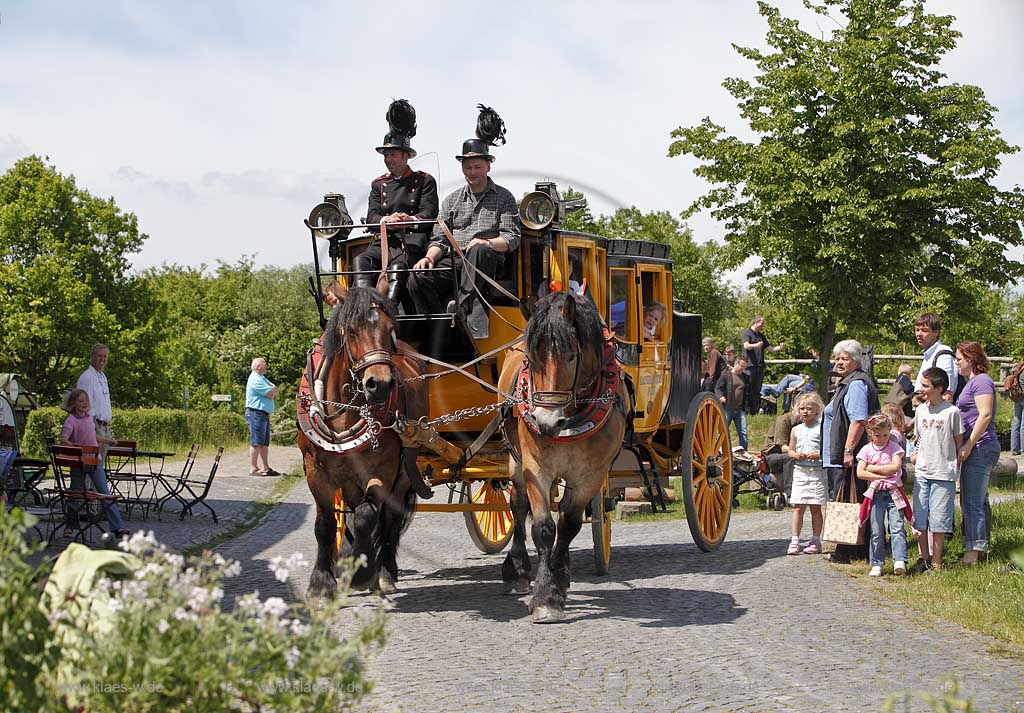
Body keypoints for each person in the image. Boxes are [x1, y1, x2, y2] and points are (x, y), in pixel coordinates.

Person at [412, 105, 520, 338]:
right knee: (416, 277)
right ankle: (435, 327)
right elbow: (439, 239)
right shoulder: (451, 201)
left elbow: (512, 238)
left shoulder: (504, 197)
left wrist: (486, 243)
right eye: (468, 167)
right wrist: (428, 258)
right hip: (455, 260)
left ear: (488, 166)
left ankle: (462, 308)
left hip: (486, 260)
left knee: (478, 252)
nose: (473, 172)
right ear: (462, 169)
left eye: (477, 167)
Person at [353, 100, 439, 307]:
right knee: (360, 261)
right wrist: (387, 220)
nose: (387, 159)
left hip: (413, 242)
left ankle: (387, 310)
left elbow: (429, 214)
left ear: (406, 156)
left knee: (399, 267)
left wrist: (408, 220)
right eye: (385, 155)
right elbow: (372, 216)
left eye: (392, 154)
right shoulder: (378, 184)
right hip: (384, 242)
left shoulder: (425, 181)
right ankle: (364, 309)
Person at [821, 339, 880, 563]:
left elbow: (858, 420)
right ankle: (849, 547)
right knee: (846, 500)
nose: (839, 362)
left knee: (850, 501)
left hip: (850, 456)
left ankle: (850, 550)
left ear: (856, 361)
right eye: (837, 358)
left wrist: (848, 451)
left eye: (844, 358)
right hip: (839, 455)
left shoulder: (856, 384)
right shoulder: (846, 382)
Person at [909, 367, 963, 573]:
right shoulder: (921, 410)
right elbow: (918, 438)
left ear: (939, 388)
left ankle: (937, 562)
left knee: (939, 520)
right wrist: (915, 455)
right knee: (920, 518)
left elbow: (958, 443)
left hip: (942, 473)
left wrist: (955, 469)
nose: (921, 389)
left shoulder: (952, 412)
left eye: (925, 385)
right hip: (923, 471)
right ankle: (924, 557)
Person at [60, 388, 129, 539]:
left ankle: (117, 527)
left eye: (86, 400)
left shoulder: (90, 418)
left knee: (104, 493)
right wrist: (72, 446)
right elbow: (64, 438)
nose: (84, 403)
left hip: (94, 461)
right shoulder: (71, 420)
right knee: (76, 494)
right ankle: (70, 526)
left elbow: (93, 436)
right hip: (79, 462)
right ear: (73, 403)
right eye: (80, 400)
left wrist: (108, 441)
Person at [954, 341, 999, 566]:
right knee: (979, 501)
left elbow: (985, 414)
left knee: (971, 501)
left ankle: (972, 554)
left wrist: (968, 445)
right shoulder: (971, 382)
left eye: (959, 359)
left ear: (970, 359)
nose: (956, 362)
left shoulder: (981, 381)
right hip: (978, 446)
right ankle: (979, 548)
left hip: (981, 447)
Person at [856, 413, 910, 577]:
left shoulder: (894, 447)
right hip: (876, 493)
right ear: (870, 432)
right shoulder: (866, 450)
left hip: (893, 492)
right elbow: (860, 472)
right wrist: (879, 476)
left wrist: (872, 468)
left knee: (897, 527)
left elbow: (895, 468)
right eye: (877, 435)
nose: (881, 439)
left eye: (885, 435)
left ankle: (899, 560)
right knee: (876, 529)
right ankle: (877, 562)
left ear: (890, 431)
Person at [787, 392, 826, 555]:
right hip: (801, 471)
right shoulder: (796, 430)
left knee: (815, 508)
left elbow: (827, 450)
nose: (805, 412)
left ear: (817, 411)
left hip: (817, 471)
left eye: (809, 409)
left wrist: (818, 454)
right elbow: (790, 449)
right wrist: (794, 454)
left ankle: (816, 540)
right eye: (802, 408)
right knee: (798, 507)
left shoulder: (822, 428)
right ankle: (795, 540)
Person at [741, 316, 786, 414]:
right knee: (748, 390)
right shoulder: (746, 333)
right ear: (756, 322)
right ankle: (746, 412)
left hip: (760, 366)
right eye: (762, 323)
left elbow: (770, 349)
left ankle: (755, 412)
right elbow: (746, 346)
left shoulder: (761, 336)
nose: (763, 325)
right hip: (749, 366)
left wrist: (780, 347)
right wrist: (756, 345)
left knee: (757, 391)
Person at [913, 312, 958, 401]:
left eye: (924, 330)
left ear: (936, 332)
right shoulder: (929, 354)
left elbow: (947, 395)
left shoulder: (943, 355)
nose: (919, 334)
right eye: (917, 330)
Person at [246, 357, 280, 477]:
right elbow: (271, 393)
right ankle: (253, 468)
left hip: (263, 414)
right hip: (256, 413)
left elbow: (275, 388)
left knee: (264, 443)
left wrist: (274, 389)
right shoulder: (255, 379)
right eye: (264, 364)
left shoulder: (262, 378)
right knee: (256, 442)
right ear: (258, 367)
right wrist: (273, 390)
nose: (266, 366)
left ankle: (266, 467)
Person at [716, 355, 750, 450]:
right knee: (723, 431)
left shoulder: (745, 377)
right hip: (727, 408)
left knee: (743, 432)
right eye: (741, 366)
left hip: (740, 409)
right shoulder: (726, 375)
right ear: (736, 363)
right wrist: (721, 396)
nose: (742, 369)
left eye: (744, 367)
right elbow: (718, 387)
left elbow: (748, 392)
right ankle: (719, 452)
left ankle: (744, 452)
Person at [1008, 355, 1024, 456]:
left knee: (1016, 422)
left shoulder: (1019, 367)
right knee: (1023, 425)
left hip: (1017, 397)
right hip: (1023, 397)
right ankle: (1023, 450)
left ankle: (1014, 449)